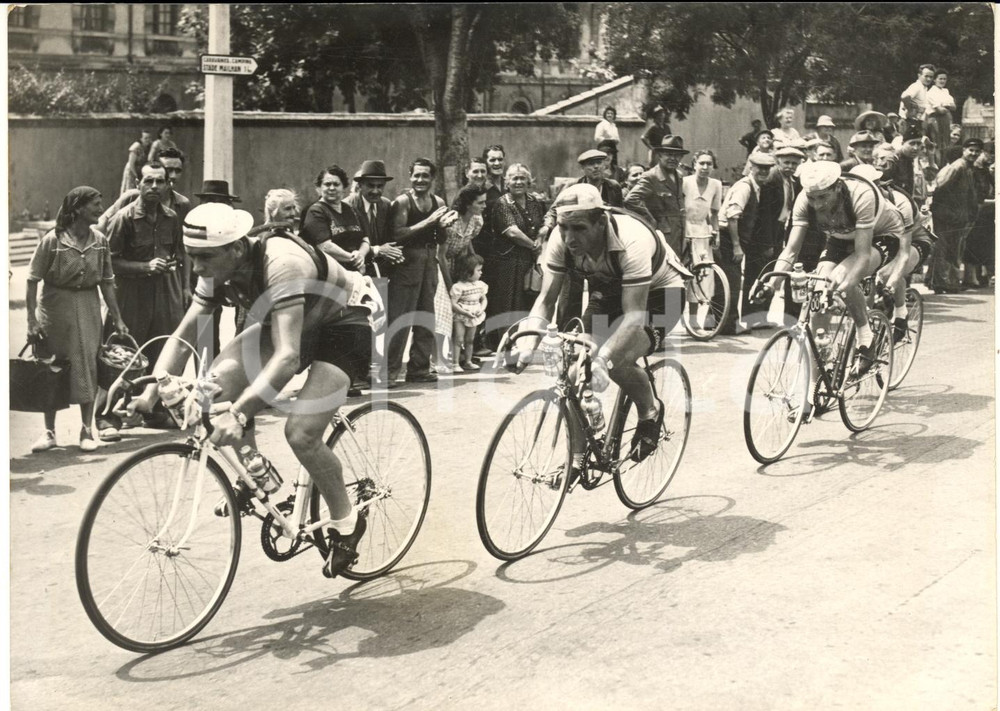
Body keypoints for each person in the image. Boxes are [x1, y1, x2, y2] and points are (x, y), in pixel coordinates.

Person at [130, 202, 382, 579]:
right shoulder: (216, 263)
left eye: (204, 258)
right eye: (191, 257)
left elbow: (287, 359)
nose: (196, 268)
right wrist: (153, 389)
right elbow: (184, 335)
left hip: (345, 321)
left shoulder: (282, 263)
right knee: (212, 389)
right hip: (296, 324)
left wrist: (240, 412)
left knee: (301, 433)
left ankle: (347, 522)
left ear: (235, 248)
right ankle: (258, 473)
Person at [513, 183, 688, 464]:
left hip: (660, 295)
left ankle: (650, 412)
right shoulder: (561, 239)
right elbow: (546, 299)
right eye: (563, 227)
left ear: (602, 222)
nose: (569, 238)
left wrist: (603, 359)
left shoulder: (632, 240)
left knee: (616, 361)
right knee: (573, 374)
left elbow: (633, 316)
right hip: (608, 291)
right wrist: (526, 344)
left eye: (579, 228)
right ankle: (578, 459)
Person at [766, 161, 903, 392]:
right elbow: (791, 250)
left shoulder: (861, 195)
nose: (817, 205)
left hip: (883, 235)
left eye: (823, 198)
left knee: (841, 276)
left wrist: (843, 287)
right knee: (819, 298)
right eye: (813, 198)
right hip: (841, 236)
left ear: (837, 188)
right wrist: (772, 282)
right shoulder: (804, 198)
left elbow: (861, 257)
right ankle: (816, 384)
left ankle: (866, 337)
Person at [26, 187, 128, 453]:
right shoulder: (53, 240)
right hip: (54, 307)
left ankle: (86, 430)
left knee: (87, 364)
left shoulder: (100, 241)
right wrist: (31, 322)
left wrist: (117, 318)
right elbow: (32, 279)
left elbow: (107, 282)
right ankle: (49, 432)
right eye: (95, 204)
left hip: (88, 306)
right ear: (78, 208)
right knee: (53, 366)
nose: (99, 209)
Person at [95, 162, 189, 440]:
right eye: (148, 181)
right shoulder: (123, 218)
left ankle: (153, 411)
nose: (154, 187)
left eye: (160, 182)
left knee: (162, 351)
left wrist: (183, 289)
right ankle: (106, 416)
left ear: (167, 185)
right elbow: (108, 262)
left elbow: (181, 255)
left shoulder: (172, 217)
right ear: (138, 183)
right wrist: (145, 266)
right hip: (131, 297)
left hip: (164, 295)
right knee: (121, 356)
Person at [385, 158, 457, 386]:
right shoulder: (402, 202)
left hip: (429, 261)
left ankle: (419, 369)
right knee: (400, 318)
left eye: (425, 176)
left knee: (426, 317)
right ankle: (389, 371)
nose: (420, 180)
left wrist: (443, 226)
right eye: (416, 175)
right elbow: (397, 234)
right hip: (406, 262)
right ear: (410, 176)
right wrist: (429, 221)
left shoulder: (438, 201)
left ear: (432, 178)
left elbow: (441, 238)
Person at [850, 164, 932, 342]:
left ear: (878, 186)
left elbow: (902, 253)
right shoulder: (857, 202)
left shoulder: (900, 203)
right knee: (864, 283)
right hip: (883, 239)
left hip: (914, 241)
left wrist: (891, 283)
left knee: (887, 273)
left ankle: (901, 314)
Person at [482, 163, 547, 349]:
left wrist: (542, 234)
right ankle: (501, 343)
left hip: (527, 259)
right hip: (506, 260)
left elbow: (543, 222)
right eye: (514, 178)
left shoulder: (535, 201)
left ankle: (518, 339)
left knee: (524, 300)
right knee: (505, 301)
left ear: (529, 181)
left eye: (522, 178)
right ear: (507, 182)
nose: (519, 182)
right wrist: (533, 244)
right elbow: (512, 232)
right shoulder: (503, 203)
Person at [927, 138, 982, 293]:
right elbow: (940, 187)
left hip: (957, 216)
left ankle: (943, 282)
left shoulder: (968, 168)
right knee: (943, 249)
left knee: (952, 249)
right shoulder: (957, 167)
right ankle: (941, 283)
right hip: (947, 215)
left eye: (977, 151)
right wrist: (942, 210)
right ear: (964, 150)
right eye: (971, 150)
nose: (974, 153)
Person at [98, 147, 191, 234]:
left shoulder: (182, 204)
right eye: (169, 170)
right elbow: (102, 224)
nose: (173, 176)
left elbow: (180, 242)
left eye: (178, 171)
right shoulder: (132, 196)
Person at [681, 150, 724, 330]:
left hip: (703, 233)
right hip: (684, 229)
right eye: (702, 163)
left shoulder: (716, 185)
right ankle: (677, 316)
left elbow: (714, 213)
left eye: (709, 164)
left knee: (701, 274)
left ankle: (692, 318)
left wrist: (716, 233)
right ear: (694, 164)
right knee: (684, 273)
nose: (705, 167)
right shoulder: (685, 182)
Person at [625, 135, 688, 255]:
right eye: (668, 154)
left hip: (680, 231)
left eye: (677, 155)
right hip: (661, 233)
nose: (673, 158)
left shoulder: (679, 175)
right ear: (660, 155)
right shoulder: (651, 176)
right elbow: (631, 199)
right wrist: (651, 221)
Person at [300, 165, 369, 272]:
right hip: (330, 274)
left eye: (336, 184)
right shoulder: (316, 211)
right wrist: (353, 258)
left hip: (356, 269)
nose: (332, 188)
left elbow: (365, 239)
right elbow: (324, 246)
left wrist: (361, 255)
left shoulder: (352, 210)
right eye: (327, 184)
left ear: (344, 187)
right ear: (319, 188)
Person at [344, 160, 404, 276]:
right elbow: (347, 246)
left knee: (380, 294)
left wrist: (393, 253)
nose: (376, 191)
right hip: (354, 272)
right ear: (360, 185)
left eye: (380, 186)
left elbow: (388, 238)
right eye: (370, 186)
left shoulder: (385, 205)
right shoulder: (347, 207)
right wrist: (378, 250)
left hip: (379, 272)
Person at [449, 253, 488, 373]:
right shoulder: (458, 287)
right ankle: (455, 363)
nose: (481, 273)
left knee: (470, 339)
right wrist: (464, 313)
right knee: (458, 339)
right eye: (478, 270)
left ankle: (468, 361)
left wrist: (481, 309)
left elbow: (484, 299)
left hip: (474, 314)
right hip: (461, 315)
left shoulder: (480, 285)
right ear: (468, 271)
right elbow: (453, 303)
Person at [926, 70, 957, 165]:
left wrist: (944, 105)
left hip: (945, 119)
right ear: (934, 80)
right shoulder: (930, 92)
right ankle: (936, 165)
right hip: (934, 119)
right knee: (937, 143)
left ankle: (943, 165)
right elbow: (940, 110)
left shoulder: (945, 91)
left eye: (944, 79)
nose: (942, 81)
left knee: (946, 143)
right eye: (940, 79)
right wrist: (946, 105)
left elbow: (954, 107)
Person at [899, 64, 936, 128]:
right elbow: (905, 97)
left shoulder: (924, 88)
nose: (929, 79)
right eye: (926, 76)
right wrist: (910, 111)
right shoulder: (917, 86)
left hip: (917, 122)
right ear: (919, 75)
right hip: (909, 122)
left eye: (931, 77)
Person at [119, 130, 152, 195]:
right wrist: (136, 175)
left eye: (149, 138)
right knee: (130, 189)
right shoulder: (136, 146)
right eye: (145, 138)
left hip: (141, 171)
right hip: (132, 171)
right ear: (141, 139)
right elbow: (131, 164)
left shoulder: (150, 146)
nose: (148, 140)